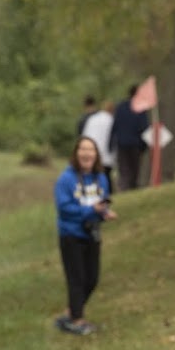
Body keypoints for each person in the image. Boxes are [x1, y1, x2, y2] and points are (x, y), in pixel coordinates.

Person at [53, 137, 115, 336]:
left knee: (92, 279)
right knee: (77, 279)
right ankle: (77, 320)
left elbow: (102, 203)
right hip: (71, 235)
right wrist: (91, 210)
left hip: (92, 234)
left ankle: (70, 313)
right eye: (83, 149)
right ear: (76, 153)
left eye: (91, 150)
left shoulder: (101, 178)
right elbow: (64, 208)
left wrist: (104, 213)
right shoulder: (66, 179)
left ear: (96, 155)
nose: (87, 153)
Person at [110, 85, 150, 192]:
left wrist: (111, 143)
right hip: (135, 143)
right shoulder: (140, 108)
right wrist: (144, 145)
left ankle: (124, 187)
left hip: (121, 143)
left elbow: (114, 126)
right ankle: (133, 187)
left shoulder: (120, 107)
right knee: (134, 168)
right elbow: (144, 127)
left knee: (124, 168)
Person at [81, 100, 115, 195]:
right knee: (106, 176)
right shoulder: (111, 120)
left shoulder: (92, 118)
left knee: (91, 176)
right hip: (106, 154)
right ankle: (106, 194)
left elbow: (85, 135)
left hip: (90, 151)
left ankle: (91, 194)